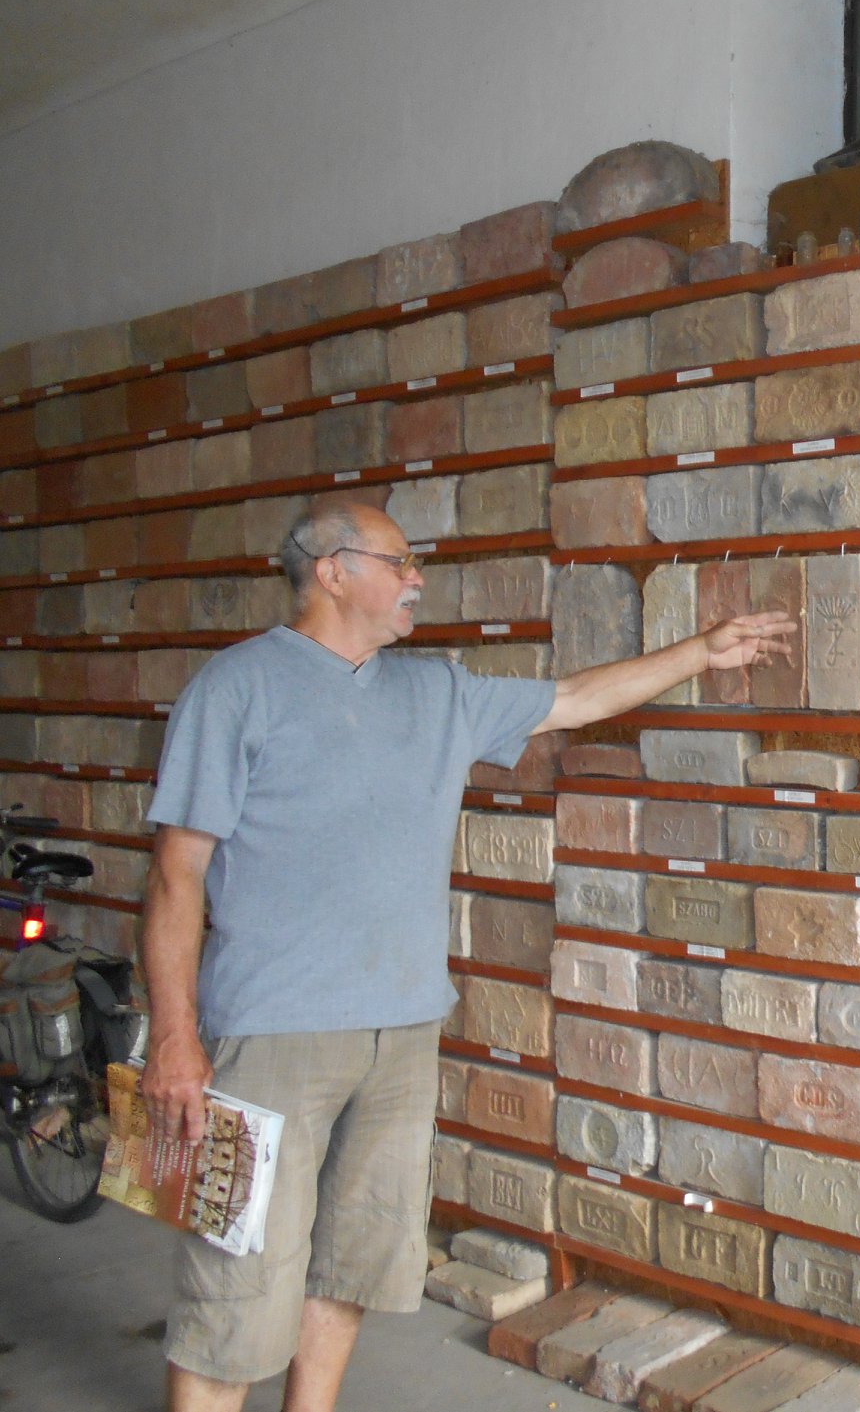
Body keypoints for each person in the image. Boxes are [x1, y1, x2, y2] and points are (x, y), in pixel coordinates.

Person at [138, 500, 792, 1412]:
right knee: (235, 1277)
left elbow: (575, 698)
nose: (416, 580)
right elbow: (176, 875)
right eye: (399, 562)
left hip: (403, 1033)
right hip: (270, 1038)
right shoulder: (236, 689)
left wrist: (699, 652)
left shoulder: (436, 692)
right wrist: (175, 1036)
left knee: (353, 1263)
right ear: (332, 571)